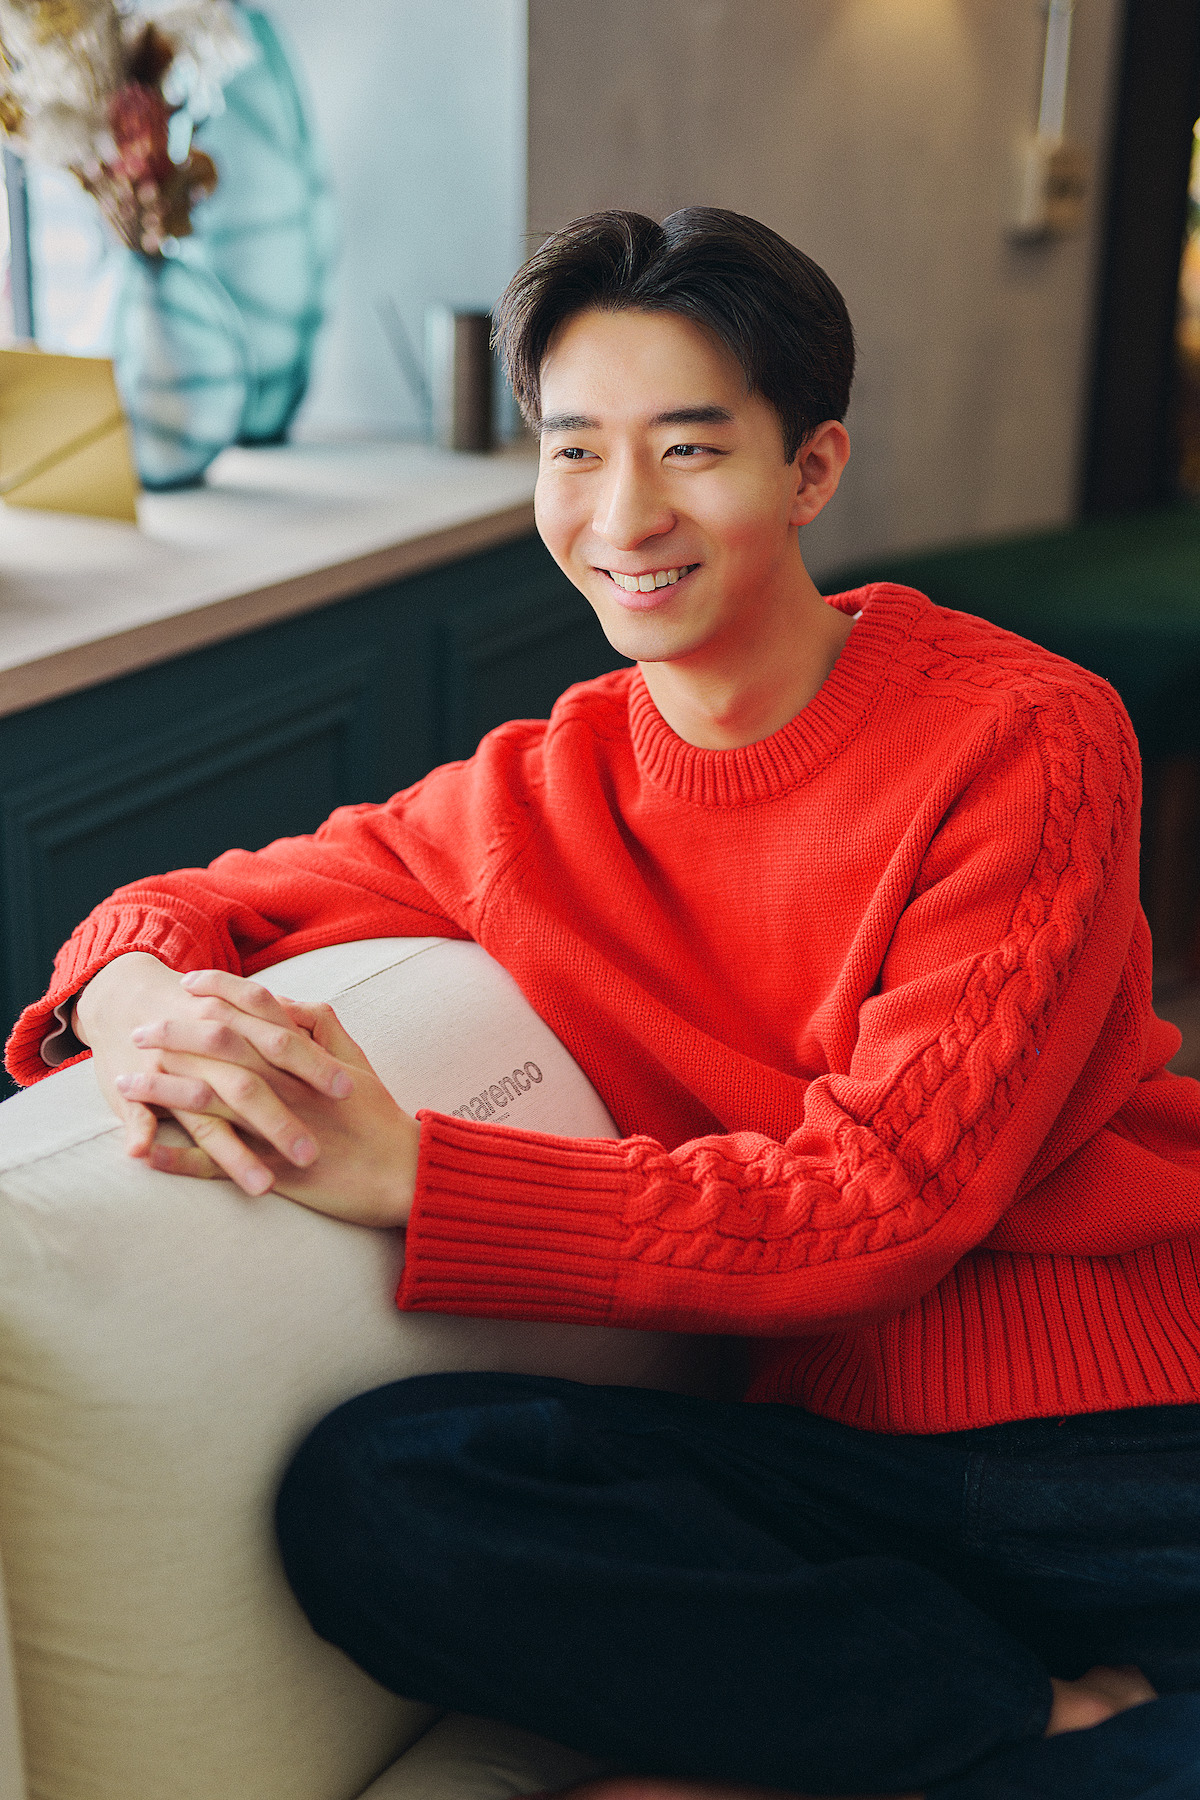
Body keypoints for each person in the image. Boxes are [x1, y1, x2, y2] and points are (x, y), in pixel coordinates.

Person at [7, 208, 1200, 1800]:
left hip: (1130, 1445)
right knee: (383, 1492)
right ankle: (998, 1723)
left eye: (690, 449)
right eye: (574, 452)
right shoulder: (537, 791)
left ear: (811, 469)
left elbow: (892, 1200)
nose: (623, 513)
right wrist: (152, 1003)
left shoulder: (1026, 739)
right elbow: (189, 901)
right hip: (833, 1469)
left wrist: (424, 1178)